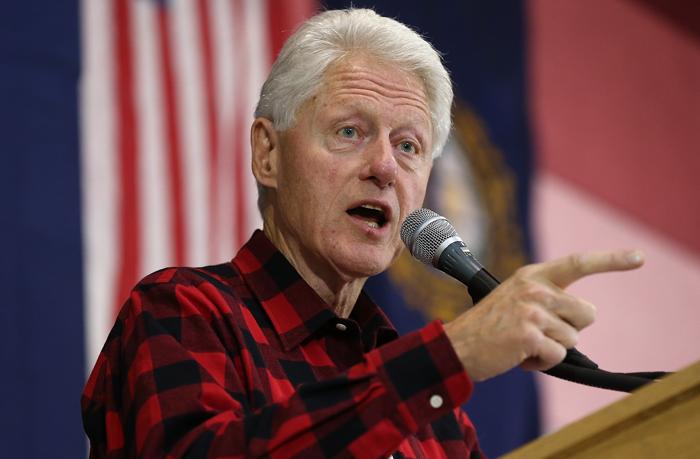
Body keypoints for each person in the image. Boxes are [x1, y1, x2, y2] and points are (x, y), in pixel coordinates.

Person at [82, 8, 644, 458]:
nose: (384, 168)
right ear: (268, 153)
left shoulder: (443, 423)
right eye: (350, 131)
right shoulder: (184, 313)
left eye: (408, 146)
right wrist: (453, 354)